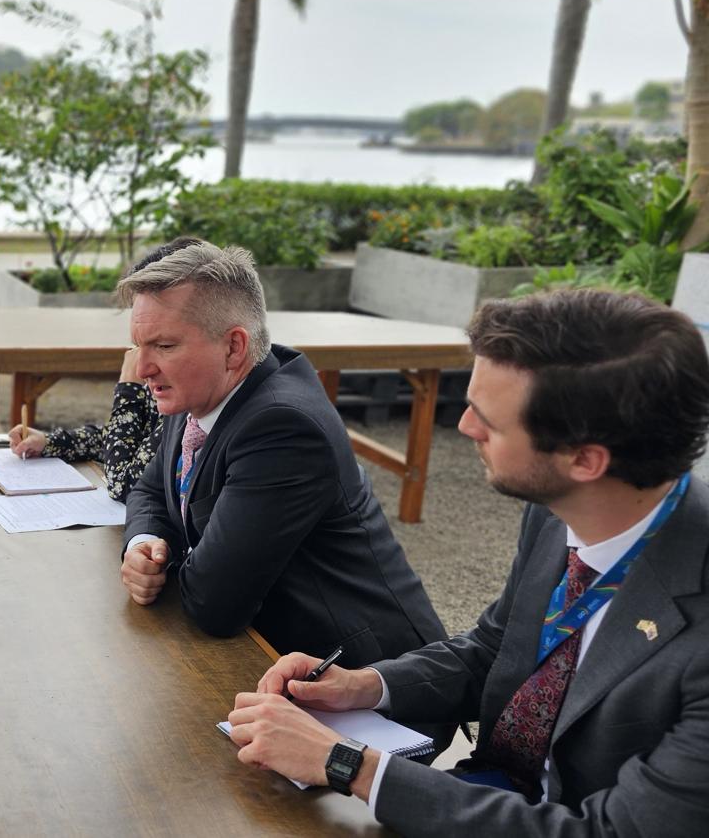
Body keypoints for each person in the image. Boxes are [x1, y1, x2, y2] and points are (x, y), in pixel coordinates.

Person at [227, 289, 709, 835]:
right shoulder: (560, 511)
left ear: (585, 460)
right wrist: (363, 685)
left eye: (489, 420)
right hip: (488, 791)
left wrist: (349, 765)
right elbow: (497, 647)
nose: (464, 429)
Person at [117, 241, 447, 674]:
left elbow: (214, 605)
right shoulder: (201, 392)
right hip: (272, 651)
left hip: (367, 684)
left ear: (234, 347)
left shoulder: (283, 428)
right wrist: (144, 545)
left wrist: (172, 558)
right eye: (139, 346)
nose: (142, 369)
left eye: (163, 346)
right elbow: (150, 487)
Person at [6, 348, 157, 501]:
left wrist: (128, 391)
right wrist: (49, 442)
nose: (138, 363)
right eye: (137, 345)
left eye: (164, 346)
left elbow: (122, 485)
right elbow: (123, 441)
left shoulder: (176, 411)